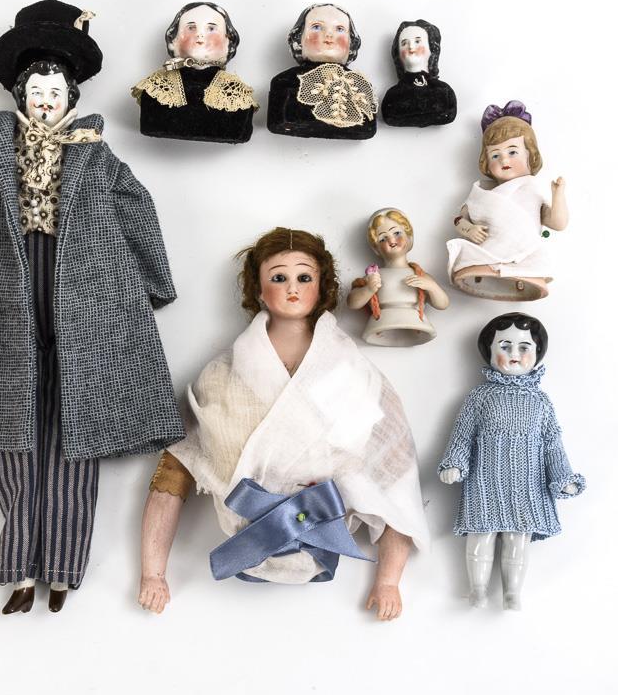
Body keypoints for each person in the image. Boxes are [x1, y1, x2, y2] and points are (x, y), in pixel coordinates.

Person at [0, 0, 184, 614]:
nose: (45, 101)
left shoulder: (98, 157)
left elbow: (136, 211)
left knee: (79, 433)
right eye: (36, 91)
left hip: (86, 300)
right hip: (2, 299)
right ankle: (21, 567)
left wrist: (150, 284)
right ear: (20, 95)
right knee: (16, 431)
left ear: (71, 97)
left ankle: (65, 569)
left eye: (54, 92)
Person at [138, 227, 428, 619]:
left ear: (321, 287)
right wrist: (153, 573)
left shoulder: (352, 373)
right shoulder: (221, 376)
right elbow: (175, 471)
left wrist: (389, 580)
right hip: (245, 532)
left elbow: (396, 475)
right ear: (258, 290)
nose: (292, 288)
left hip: (324, 536)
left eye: (304, 277)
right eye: (278, 277)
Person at [438, 313, 584, 610]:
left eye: (523, 347)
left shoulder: (540, 402)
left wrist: (562, 477)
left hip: (528, 485)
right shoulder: (480, 397)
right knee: (480, 535)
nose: (514, 354)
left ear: (538, 352)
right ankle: (478, 589)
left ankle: (512, 592)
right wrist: (454, 462)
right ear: (489, 352)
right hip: (484, 483)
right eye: (505, 347)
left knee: (518, 539)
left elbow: (552, 444)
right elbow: (463, 434)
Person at [447, 101, 568, 300]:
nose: (504, 160)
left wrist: (558, 194)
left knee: (528, 265)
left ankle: (519, 277)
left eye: (512, 152)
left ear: (530, 154)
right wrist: (470, 229)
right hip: (485, 253)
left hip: (524, 256)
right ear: (486, 161)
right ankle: (482, 271)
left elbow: (558, 223)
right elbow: (458, 220)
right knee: (475, 260)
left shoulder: (533, 192)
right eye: (495, 155)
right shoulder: (482, 192)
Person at [132, 1, 257, 143]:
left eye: (211, 28)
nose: (200, 36)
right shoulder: (155, 89)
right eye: (191, 28)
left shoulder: (237, 96)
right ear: (174, 40)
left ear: (228, 41)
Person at [267, 3, 376, 140]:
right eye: (317, 27)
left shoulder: (360, 86)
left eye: (340, 29)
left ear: (351, 41)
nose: (329, 35)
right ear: (299, 38)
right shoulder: (285, 82)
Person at [347, 208, 449, 346]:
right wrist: (369, 289)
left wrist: (431, 287)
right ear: (376, 248)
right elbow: (352, 303)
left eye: (397, 233)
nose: (392, 240)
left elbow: (443, 304)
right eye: (383, 238)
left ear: (409, 236)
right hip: (382, 323)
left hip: (416, 321)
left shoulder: (420, 275)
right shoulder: (375, 275)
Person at [380, 18, 457, 127]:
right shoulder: (392, 98)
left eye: (417, 41)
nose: (411, 47)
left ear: (431, 48)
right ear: (398, 53)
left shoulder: (444, 94)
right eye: (404, 43)